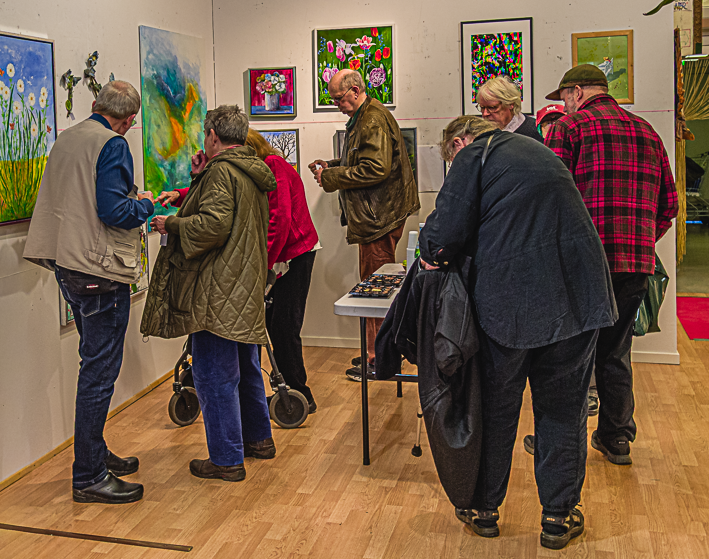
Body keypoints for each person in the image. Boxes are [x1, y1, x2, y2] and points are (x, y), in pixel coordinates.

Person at [419, 116, 617, 550]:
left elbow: (439, 238)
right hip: (580, 296)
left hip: (512, 301)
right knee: (563, 410)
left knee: (496, 408)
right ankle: (558, 517)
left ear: (459, 142)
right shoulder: (537, 151)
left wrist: (432, 249)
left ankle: (484, 510)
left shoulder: (475, 153)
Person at [536, 64, 678, 466]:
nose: (564, 105)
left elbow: (550, 196)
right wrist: (640, 241)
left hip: (582, 262)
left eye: (564, 97)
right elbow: (669, 205)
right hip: (634, 263)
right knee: (615, 351)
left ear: (577, 92)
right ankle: (616, 437)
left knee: (569, 354)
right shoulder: (647, 131)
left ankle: (562, 444)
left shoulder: (570, 128)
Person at [23, 81, 154, 504]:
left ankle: (95, 455)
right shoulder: (112, 144)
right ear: (129, 120)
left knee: (92, 367)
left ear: (96, 104)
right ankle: (89, 476)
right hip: (99, 271)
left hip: (68, 266)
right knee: (99, 375)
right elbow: (114, 210)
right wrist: (147, 203)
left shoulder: (67, 138)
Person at [141, 105, 277, 482]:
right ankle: (258, 440)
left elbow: (213, 226)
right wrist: (199, 176)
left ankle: (226, 458)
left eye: (205, 134)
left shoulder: (222, 172)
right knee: (246, 367)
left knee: (213, 374)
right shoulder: (247, 168)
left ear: (214, 136)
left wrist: (171, 223)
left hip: (217, 288)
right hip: (243, 284)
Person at [308, 69, 420, 381]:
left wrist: (331, 177)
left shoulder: (371, 120)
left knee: (376, 292)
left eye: (339, 99)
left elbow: (375, 169)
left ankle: (379, 358)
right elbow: (363, 162)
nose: (337, 105)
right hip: (377, 216)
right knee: (374, 287)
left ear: (356, 91)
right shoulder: (367, 116)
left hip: (378, 218)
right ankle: (377, 352)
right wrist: (332, 166)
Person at [245, 128, 320, 414]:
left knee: (284, 327)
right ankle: (288, 391)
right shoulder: (264, 167)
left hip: (296, 253)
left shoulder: (273, 165)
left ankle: (299, 394)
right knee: (276, 325)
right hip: (284, 255)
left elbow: (280, 219)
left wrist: (264, 265)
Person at [476, 76, 542, 141]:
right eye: (482, 108)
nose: (485, 114)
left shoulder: (537, 131)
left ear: (510, 104)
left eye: (492, 107)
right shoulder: (479, 134)